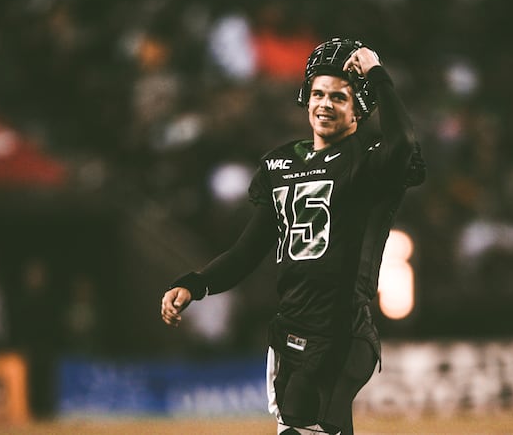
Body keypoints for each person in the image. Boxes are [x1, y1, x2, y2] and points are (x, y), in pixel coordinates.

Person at [160, 37, 425, 435]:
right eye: (318, 93)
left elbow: (403, 142)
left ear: (358, 111)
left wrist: (376, 74)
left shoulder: (368, 161)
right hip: (289, 332)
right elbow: (248, 251)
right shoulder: (280, 164)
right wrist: (197, 283)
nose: (324, 104)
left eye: (339, 98)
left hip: (341, 332)